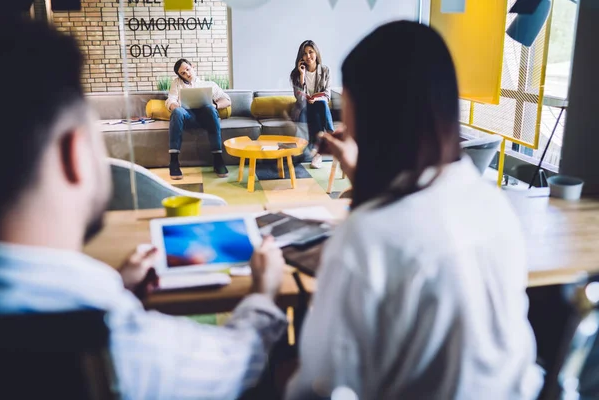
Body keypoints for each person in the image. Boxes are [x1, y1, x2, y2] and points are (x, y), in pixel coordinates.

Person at [0, 17, 288, 399]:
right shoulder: (115, 339)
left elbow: (222, 103)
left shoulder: (93, 305)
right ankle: (176, 159)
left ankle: (216, 157)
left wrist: (119, 288)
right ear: (76, 154)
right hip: (183, 114)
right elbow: (236, 360)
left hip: (208, 112)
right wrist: (264, 295)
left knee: (211, 114)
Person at [286, 21, 543, 400]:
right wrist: (357, 165)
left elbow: (318, 386)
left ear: (366, 115)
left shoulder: (365, 239)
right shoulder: (491, 203)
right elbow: (414, 205)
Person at [166, 58, 231, 180]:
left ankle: (218, 160)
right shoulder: (177, 83)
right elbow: (171, 100)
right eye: (182, 73)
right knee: (177, 111)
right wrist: (175, 106)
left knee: (210, 109)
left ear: (193, 67)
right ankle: (173, 162)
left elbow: (227, 100)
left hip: (206, 116)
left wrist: (215, 105)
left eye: (187, 69)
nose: (187, 74)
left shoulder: (209, 84)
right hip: (186, 116)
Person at [290, 40, 334, 169]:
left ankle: (318, 153)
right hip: (304, 108)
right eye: (304, 54)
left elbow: (327, 94)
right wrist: (302, 76)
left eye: (311, 52)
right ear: (301, 57)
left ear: (316, 53)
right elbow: (298, 98)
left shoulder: (325, 70)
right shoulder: (296, 73)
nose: (308, 56)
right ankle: (330, 137)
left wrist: (316, 98)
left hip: (319, 107)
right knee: (316, 106)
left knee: (321, 104)